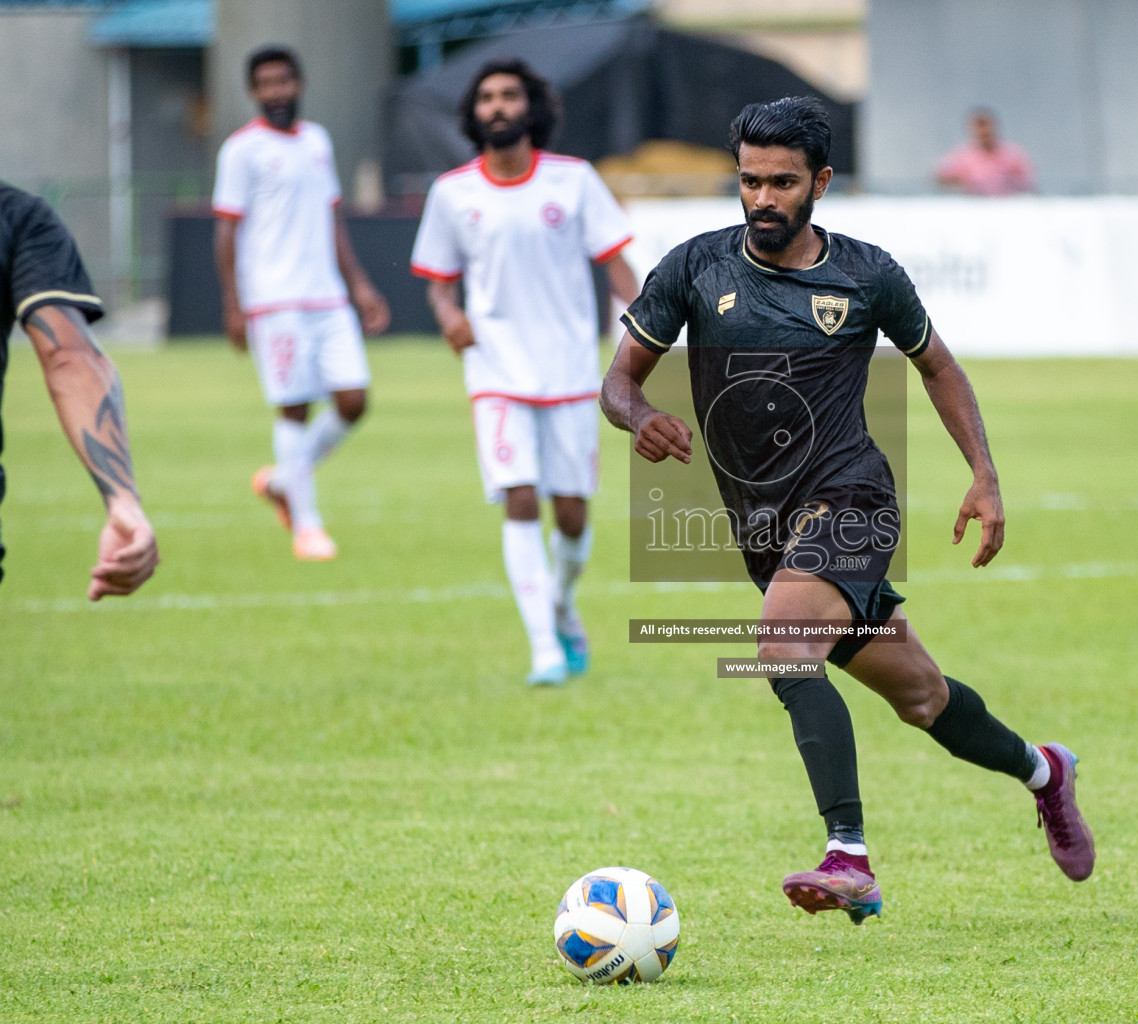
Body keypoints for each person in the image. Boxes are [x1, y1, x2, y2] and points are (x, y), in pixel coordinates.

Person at [602, 97, 1092, 924]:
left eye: (782, 183)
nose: (762, 198)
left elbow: (936, 366)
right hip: (765, 528)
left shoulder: (868, 275)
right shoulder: (694, 268)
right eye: (750, 181)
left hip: (852, 499)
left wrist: (984, 474)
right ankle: (1046, 771)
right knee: (923, 698)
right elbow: (618, 380)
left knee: (782, 645)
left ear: (820, 183)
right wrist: (640, 416)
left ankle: (849, 855)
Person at [410, 60, 639, 685]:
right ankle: (542, 645)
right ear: (473, 113)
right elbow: (438, 281)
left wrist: (647, 341)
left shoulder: (574, 181)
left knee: (571, 513)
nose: (498, 106)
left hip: (568, 370)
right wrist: (449, 314)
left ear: (532, 107)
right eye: (486, 97)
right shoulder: (453, 193)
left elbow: (619, 269)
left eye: (510, 95)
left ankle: (562, 607)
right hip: (495, 369)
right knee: (518, 499)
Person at [213, 45, 390, 562]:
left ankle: (283, 480)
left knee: (354, 401)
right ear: (254, 91)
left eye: (284, 81)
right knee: (295, 406)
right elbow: (226, 230)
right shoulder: (241, 150)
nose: (276, 92)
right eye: (266, 83)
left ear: (299, 83)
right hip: (275, 299)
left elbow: (331, 218)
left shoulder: (317, 140)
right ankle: (308, 527)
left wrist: (359, 285)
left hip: (328, 297)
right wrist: (233, 304)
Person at [1, 182, 159, 599]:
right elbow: (68, 357)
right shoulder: (15, 214)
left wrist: (122, 497)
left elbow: (69, 357)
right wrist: (123, 499)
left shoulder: (19, 217)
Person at [935, 107, 1036, 195]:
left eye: (986, 126)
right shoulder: (963, 156)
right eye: (979, 127)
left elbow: (1028, 182)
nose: (983, 132)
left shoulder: (1012, 154)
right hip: (976, 209)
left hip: (1008, 208)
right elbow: (940, 178)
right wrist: (961, 182)